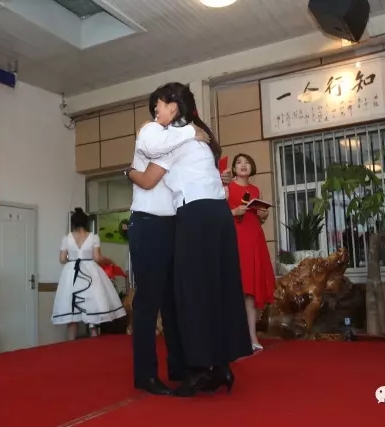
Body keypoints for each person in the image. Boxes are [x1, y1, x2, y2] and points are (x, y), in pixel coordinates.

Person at [125, 82, 252, 397]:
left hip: (188, 219)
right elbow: (149, 155)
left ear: (174, 107)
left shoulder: (177, 137)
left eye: (159, 105)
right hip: (170, 220)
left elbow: (150, 173)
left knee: (187, 296)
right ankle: (193, 368)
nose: (155, 112)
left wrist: (128, 172)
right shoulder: (182, 135)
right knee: (199, 292)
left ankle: (195, 369)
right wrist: (129, 171)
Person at [51, 208, 126, 340]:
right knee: (92, 306)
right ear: (86, 222)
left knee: (72, 308)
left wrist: (73, 260)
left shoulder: (67, 238)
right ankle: (94, 340)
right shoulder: (93, 237)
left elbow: (62, 259)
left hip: (72, 272)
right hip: (90, 271)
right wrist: (109, 260)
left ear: (73, 223)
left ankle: (71, 343)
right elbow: (97, 258)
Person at [226, 153, 275, 351]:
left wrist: (264, 214)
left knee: (251, 292)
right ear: (233, 169)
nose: (243, 165)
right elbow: (218, 215)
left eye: (247, 162)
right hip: (235, 240)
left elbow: (259, 218)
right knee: (235, 287)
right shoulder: (227, 188)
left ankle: (253, 337)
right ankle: (233, 337)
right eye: (239, 162)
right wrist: (233, 212)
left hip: (254, 240)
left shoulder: (255, 190)